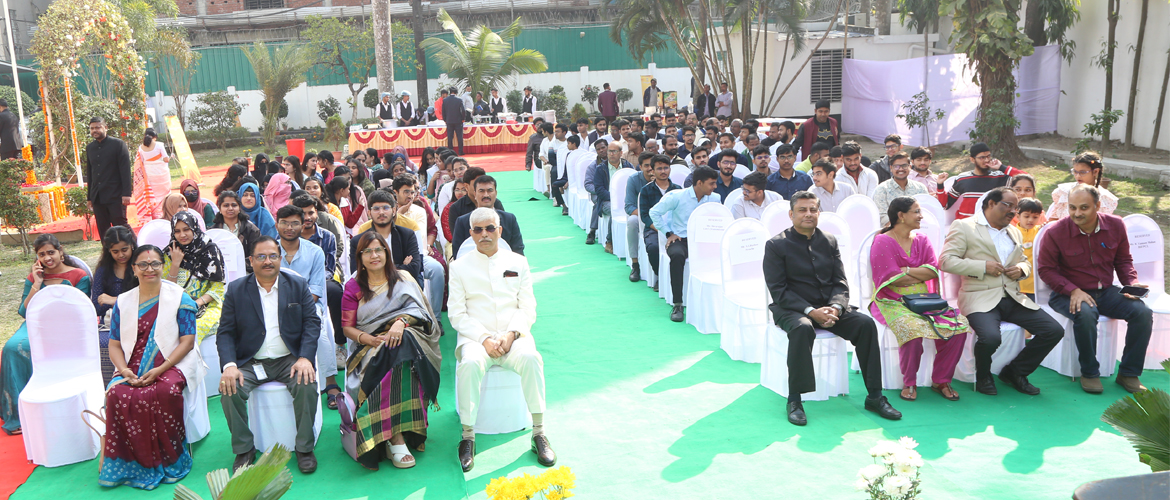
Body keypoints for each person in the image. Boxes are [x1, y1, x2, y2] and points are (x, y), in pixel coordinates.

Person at [763, 191, 900, 426]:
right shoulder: (776, 245)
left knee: (865, 325)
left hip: (829, 307)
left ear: (819, 212)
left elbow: (840, 282)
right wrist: (810, 311)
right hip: (792, 308)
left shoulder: (828, 240)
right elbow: (779, 290)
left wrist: (836, 307)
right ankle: (795, 399)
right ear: (791, 214)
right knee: (802, 329)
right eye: (802, 210)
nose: (808, 214)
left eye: (813, 209)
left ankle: (875, 396)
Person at [449, 207, 554, 473]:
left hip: (513, 336)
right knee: (470, 363)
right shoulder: (459, 267)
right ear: (471, 234)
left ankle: (539, 432)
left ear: (500, 230)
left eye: (490, 228)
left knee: (532, 358)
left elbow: (528, 307)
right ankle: (468, 436)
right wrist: (484, 338)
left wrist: (511, 334)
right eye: (478, 230)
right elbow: (457, 314)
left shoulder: (518, 262)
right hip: (476, 338)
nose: (485, 234)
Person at [99, 245, 204, 489]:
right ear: (134, 269)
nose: (150, 269)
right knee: (117, 393)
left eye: (155, 263)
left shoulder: (180, 297)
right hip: (133, 363)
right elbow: (114, 344)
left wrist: (159, 370)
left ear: (163, 266)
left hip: (173, 360)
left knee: (163, 391)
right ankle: (132, 464)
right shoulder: (124, 302)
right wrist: (124, 371)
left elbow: (187, 342)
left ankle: (171, 459)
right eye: (143, 265)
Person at [939, 187, 1063, 396]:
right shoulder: (964, 226)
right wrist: (982, 267)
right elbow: (946, 261)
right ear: (990, 204)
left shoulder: (1012, 230)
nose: (1013, 212)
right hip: (979, 296)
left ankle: (1015, 372)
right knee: (990, 338)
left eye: (1015, 208)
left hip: (1013, 296)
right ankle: (984, 376)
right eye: (1008, 206)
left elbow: (1024, 262)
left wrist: (1022, 270)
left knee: (1053, 330)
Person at [217, 236, 321, 474]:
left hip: (289, 359)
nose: (268, 261)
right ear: (251, 260)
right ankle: (244, 448)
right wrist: (230, 365)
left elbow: (312, 324)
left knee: (306, 384)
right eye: (261, 257)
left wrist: (305, 357)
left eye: (273, 256)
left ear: (280, 259)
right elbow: (225, 332)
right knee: (228, 388)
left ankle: (304, 447)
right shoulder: (236, 290)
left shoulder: (297, 285)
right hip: (251, 361)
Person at [340, 231, 442, 470]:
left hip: (408, 341)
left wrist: (400, 322)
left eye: (379, 250)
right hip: (368, 348)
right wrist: (371, 340)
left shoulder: (403, 278)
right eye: (368, 252)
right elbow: (347, 328)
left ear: (387, 252)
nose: (374, 256)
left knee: (403, 344)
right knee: (395, 352)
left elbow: (423, 314)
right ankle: (393, 436)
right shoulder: (354, 286)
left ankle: (395, 434)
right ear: (360, 257)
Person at [1036, 184, 1152, 394]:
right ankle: (1089, 373)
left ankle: (1128, 373)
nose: (1077, 213)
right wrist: (1072, 290)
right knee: (1086, 314)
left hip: (1106, 292)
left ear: (1097, 206)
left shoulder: (1116, 225)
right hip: (1065, 294)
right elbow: (1046, 270)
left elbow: (1123, 260)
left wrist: (1131, 284)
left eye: (1083, 207)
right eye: (1072, 208)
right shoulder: (1055, 232)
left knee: (1142, 312)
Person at [869, 197, 970, 402]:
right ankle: (909, 382)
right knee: (912, 329)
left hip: (926, 299)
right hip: (892, 300)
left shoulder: (922, 239)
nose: (921, 216)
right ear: (901, 216)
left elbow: (932, 271)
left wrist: (905, 271)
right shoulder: (882, 240)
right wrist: (915, 273)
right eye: (916, 211)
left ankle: (941, 380)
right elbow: (890, 279)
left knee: (959, 327)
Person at [1, 235, 90, 436]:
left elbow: (82, 309)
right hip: (36, 324)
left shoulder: (78, 275)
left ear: (60, 251)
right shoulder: (34, 277)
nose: (47, 258)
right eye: (42, 254)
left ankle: (49, 409)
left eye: (51, 252)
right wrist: (37, 283)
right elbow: (24, 312)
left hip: (66, 326)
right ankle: (18, 415)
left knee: (45, 349)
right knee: (12, 347)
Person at [650, 165, 721, 322]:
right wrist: (668, 233)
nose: (715, 187)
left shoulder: (715, 198)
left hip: (705, 241)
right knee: (676, 255)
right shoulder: (677, 196)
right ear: (699, 183)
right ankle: (678, 303)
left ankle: (716, 302)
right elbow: (654, 212)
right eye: (711, 183)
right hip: (681, 240)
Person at [164, 211, 226, 344]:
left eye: (186, 229)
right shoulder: (170, 252)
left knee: (194, 328)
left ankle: (190, 363)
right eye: (177, 231)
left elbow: (218, 289)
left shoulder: (210, 251)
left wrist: (196, 304)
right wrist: (175, 263)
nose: (182, 235)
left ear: (195, 228)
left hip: (207, 305)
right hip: (175, 305)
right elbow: (166, 289)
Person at [349, 189, 424, 286]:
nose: (381, 212)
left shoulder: (407, 235)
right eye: (376, 209)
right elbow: (357, 273)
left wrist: (374, 269)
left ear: (393, 211)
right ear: (369, 213)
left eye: (385, 208)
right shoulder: (358, 241)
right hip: (372, 289)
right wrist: (402, 267)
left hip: (403, 286)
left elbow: (414, 268)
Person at [942, 143, 1024, 220]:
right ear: (972, 159)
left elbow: (1026, 179)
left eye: (988, 156)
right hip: (965, 225)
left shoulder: (999, 177)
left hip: (990, 224)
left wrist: (1001, 167)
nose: (987, 160)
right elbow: (946, 205)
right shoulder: (962, 178)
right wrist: (940, 186)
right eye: (982, 157)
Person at [452, 175, 525, 257]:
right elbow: (458, 253)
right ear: (475, 194)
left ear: (496, 193)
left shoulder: (509, 219)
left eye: (490, 191)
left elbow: (518, 251)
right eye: (481, 191)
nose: (486, 195)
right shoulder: (463, 222)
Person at [640, 155, 682, 289]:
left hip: (676, 229)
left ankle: (677, 277)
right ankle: (660, 276)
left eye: (666, 168)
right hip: (653, 228)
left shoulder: (678, 189)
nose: (663, 171)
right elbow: (645, 216)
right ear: (652, 170)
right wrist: (661, 229)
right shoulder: (646, 190)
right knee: (653, 247)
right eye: (659, 168)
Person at [86, 116, 133, 235]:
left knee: (121, 226)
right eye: (92, 128)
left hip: (116, 195)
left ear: (105, 127)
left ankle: (136, 249)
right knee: (103, 230)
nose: (94, 130)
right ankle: (108, 253)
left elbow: (125, 170)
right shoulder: (90, 148)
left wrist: (126, 193)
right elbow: (90, 173)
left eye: (98, 127)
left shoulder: (118, 144)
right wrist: (90, 197)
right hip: (98, 196)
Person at [585, 142, 632, 250]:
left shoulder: (627, 166)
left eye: (614, 151)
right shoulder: (600, 168)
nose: (611, 154)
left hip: (627, 199)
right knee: (613, 209)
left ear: (620, 153)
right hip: (606, 200)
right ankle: (609, 241)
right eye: (609, 151)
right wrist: (616, 199)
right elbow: (599, 190)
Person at [1047, 151, 1119, 220]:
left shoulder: (1105, 199)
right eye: (1075, 171)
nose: (1078, 176)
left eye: (1083, 172)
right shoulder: (1064, 192)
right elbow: (1054, 219)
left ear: (1095, 171)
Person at [92, 226, 137, 322]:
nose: (121, 255)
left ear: (132, 246)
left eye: (124, 250)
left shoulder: (141, 266)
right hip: (112, 322)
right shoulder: (103, 270)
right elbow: (96, 307)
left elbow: (147, 300)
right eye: (115, 252)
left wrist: (115, 300)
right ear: (109, 251)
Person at [211, 190, 262, 273]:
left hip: (246, 274)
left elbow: (257, 256)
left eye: (234, 205)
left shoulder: (251, 230)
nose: (230, 208)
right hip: (219, 274)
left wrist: (236, 264)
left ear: (239, 208)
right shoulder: (213, 231)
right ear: (219, 208)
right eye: (226, 205)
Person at [873, 152, 927, 226]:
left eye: (904, 166)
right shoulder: (882, 189)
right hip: (892, 234)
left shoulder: (920, 188)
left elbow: (926, 213)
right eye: (896, 166)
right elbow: (883, 218)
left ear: (910, 167)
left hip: (918, 231)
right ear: (891, 168)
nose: (901, 169)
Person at [1012, 198, 1045, 301]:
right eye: (1026, 216)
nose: (1030, 220)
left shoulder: (1041, 232)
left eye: (1035, 217)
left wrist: (1045, 230)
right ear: (1018, 216)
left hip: (1035, 284)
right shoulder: (1011, 232)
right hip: (1015, 283)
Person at [139, 128, 171, 217]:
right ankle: (166, 211)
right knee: (165, 192)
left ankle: (155, 213)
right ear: (155, 137)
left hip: (149, 173)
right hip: (161, 172)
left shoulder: (141, 147)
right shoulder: (159, 145)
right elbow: (166, 159)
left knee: (153, 193)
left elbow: (141, 161)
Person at [442, 88, 466, 154]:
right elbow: (463, 110)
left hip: (449, 121)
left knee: (450, 137)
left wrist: (445, 119)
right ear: (456, 92)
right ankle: (460, 151)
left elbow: (443, 111)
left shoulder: (445, 100)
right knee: (459, 137)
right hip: (458, 121)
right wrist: (463, 118)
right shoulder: (459, 100)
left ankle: (450, 151)